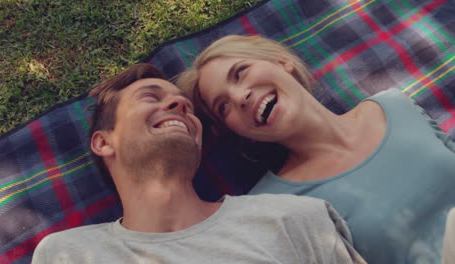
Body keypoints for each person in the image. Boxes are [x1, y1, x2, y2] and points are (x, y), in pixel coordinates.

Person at [31, 63, 366, 264]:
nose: (179, 102)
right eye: (150, 97)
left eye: (187, 106)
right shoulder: (68, 254)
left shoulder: (295, 218)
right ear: (104, 142)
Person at [177, 35, 455, 264]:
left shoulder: (393, 104)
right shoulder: (271, 206)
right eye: (223, 106)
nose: (240, 97)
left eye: (240, 73)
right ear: (236, 131)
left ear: (282, 62)